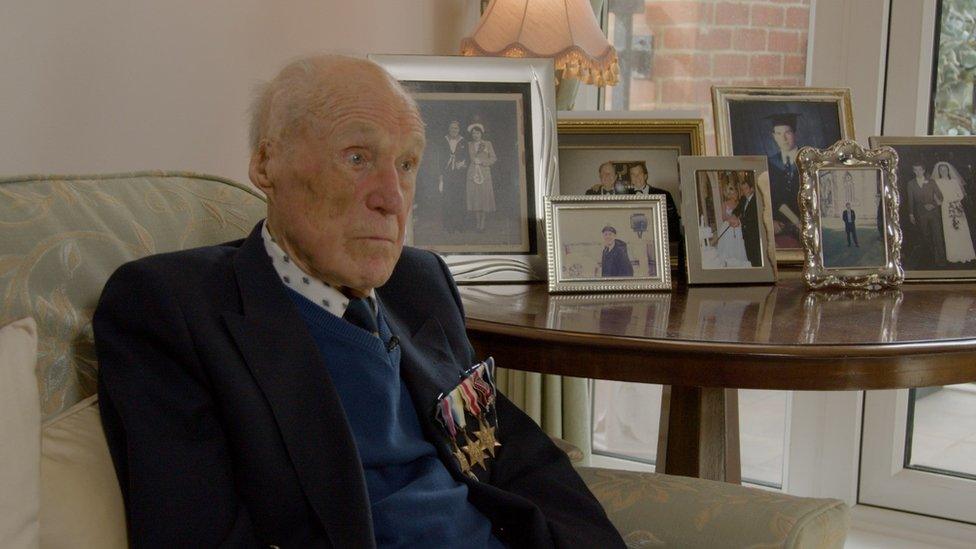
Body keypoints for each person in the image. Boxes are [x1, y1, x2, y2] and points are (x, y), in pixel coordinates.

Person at [94, 54, 623, 548]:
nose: (392, 198)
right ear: (265, 164)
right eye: (357, 157)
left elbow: (512, 457)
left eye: (408, 164)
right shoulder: (170, 308)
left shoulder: (420, 282)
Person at [765, 113, 802, 248]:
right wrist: (770, 220)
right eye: (779, 134)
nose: (784, 138)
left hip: (807, 227)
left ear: (795, 134)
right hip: (779, 229)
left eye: (788, 133)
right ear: (774, 136)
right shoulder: (769, 164)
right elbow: (771, 199)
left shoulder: (809, 159)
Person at [933, 161, 976, 263]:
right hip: (945, 207)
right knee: (950, 229)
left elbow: (961, 194)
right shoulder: (937, 182)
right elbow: (935, 195)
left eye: (945, 169)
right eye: (941, 170)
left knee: (961, 228)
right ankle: (954, 254)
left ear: (948, 170)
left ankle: (966, 253)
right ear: (939, 171)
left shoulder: (954, 181)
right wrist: (943, 202)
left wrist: (955, 201)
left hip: (957, 206)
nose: (943, 171)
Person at [629, 162, 681, 244]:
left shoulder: (664, 195)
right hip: (633, 242)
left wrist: (668, 245)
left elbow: (673, 221)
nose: (636, 177)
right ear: (630, 178)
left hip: (659, 242)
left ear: (646, 176)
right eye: (633, 174)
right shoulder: (624, 196)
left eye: (639, 173)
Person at [906, 163, 946, 265]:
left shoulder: (931, 182)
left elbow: (940, 196)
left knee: (937, 235)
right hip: (920, 214)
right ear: (913, 171)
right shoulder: (911, 184)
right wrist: (911, 214)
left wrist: (933, 204)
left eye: (919, 170)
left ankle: (941, 260)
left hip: (933, 212)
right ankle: (930, 257)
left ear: (923, 170)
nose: (917, 172)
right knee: (925, 235)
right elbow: (910, 200)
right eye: (915, 170)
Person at [434, 120, 467, 232]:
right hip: (447, 174)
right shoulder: (443, 140)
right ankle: (448, 226)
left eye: (456, 128)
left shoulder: (463, 141)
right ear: (449, 129)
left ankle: (459, 225)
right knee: (448, 200)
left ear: (459, 129)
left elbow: (467, 157)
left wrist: (462, 164)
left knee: (459, 199)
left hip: (459, 175)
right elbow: (439, 159)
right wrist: (441, 175)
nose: (454, 130)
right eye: (452, 128)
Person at [466, 123, 497, 232]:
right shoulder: (469, 144)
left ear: (481, 133)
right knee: (475, 197)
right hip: (472, 173)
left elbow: (493, 158)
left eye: (477, 133)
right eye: (473, 133)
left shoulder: (487, 144)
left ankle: (482, 223)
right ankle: (477, 222)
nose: (475, 135)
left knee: (483, 198)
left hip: (484, 173)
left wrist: (483, 162)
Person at [713, 178, 750, 267]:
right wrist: (731, 219)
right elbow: (723, 217)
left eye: (736, 193)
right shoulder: (725, 204)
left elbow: (741, 215)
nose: (736, 195)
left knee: (738, 244)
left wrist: (737, 220)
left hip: (737, 226)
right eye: (734, 193)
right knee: (728, 244)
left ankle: (739, 261)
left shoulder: (739, 204)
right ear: (730, 195)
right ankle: (727, 262)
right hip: (727, 226)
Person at [731, 174, 762, 267]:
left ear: (752, 189)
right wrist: (733, 215)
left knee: (757, 257)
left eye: (746, 189)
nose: (744, 191)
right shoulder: (743, 198)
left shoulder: (757, 200)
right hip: (746, 233)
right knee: (749, 257)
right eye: (742, 189)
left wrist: (740, 221)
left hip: (755, 233)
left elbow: (753, 217)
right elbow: (737, 210)